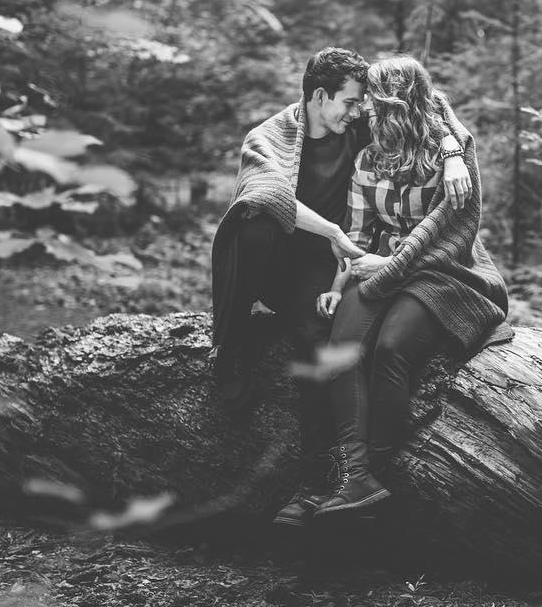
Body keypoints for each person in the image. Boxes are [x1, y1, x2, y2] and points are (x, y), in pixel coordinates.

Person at [209, 47, 472, 527]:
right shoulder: (270, 135)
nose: (358, 113)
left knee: (318, 344)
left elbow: (429, 103)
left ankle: (316, 483)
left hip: (334, 263)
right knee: (252, 224)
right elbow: (265, 194)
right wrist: (330, 231)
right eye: (349, 103)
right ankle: (231, 342)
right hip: (275, 260)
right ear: (319, 95)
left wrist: (454, 153)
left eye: (361, 105)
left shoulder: (359, 127)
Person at [304, 55, 512, 518]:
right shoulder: (367, 156)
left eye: (373, 106)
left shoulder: (451, 155)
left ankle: (379, 467)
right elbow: (355, 232)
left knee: (392, 349)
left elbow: (444, 229)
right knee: (341, 348)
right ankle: (355, 476)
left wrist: (457, 153)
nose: (363, 115)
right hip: (378, 264)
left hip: (441, 270)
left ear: (397, 106)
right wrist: (339, 282)